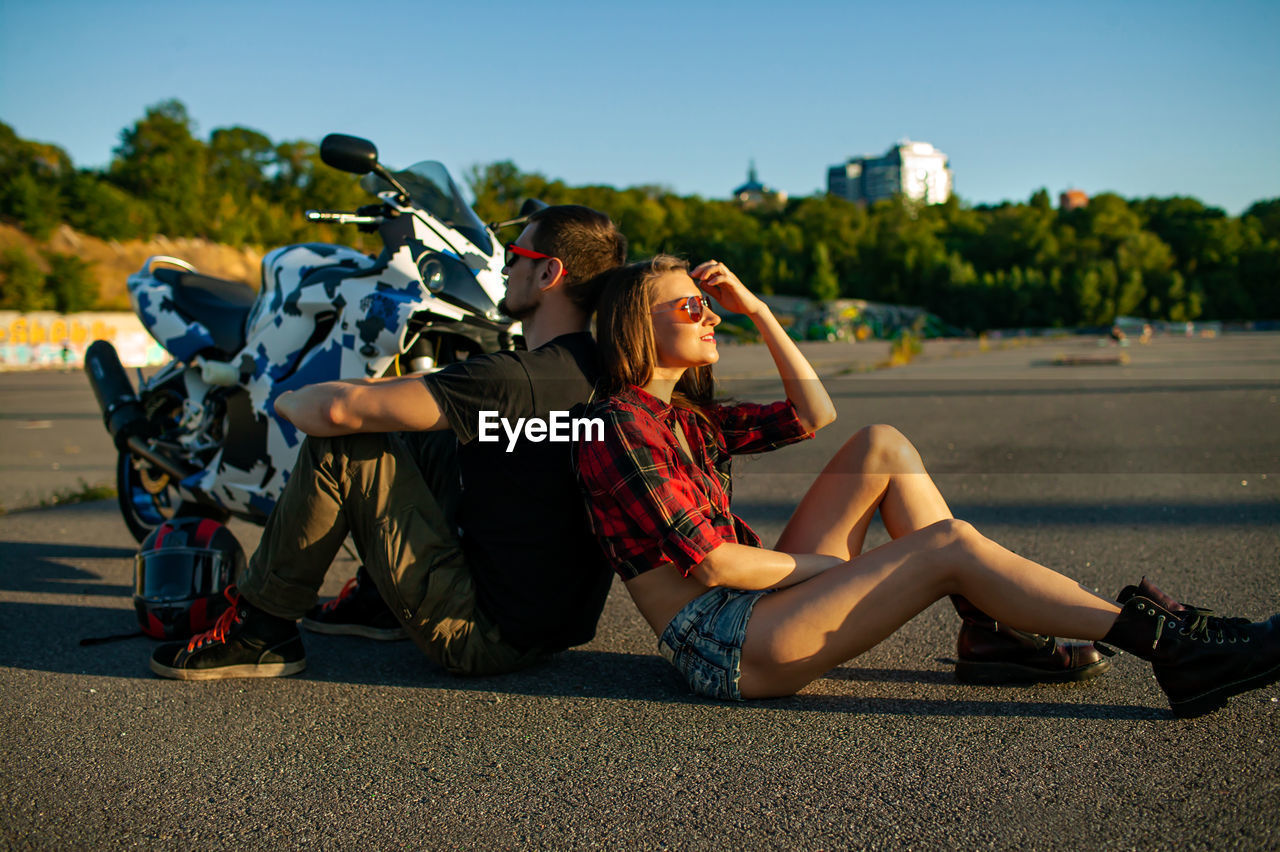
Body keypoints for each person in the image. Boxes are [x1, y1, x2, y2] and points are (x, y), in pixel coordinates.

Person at [575, 255, 1280, 717]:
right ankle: (1173, 647)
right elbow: (714, 564)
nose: (711, 316)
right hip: (725, 644)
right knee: (946, 546)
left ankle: (997, 634)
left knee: (881, 445)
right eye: (691, 307)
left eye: (710, 305)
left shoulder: (684, 417)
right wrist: (828, 569)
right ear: (641, 320)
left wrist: (758, 310)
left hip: (750, 607)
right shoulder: (618, 425)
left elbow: (815, 414)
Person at [150, 204, 627, 680]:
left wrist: (286, 399)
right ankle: (379, 602)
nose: (504, 267)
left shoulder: (511, 379)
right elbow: (441, 390)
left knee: (342, 444)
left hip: (481, 638)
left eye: (514, 254)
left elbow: (335, 412)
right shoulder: (601, 372)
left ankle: (261, 631)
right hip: (553, 626)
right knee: (426, 430)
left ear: (547, 272)